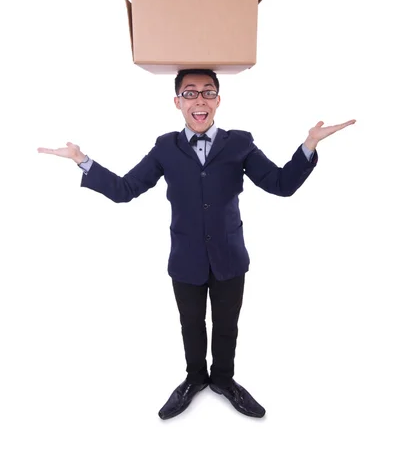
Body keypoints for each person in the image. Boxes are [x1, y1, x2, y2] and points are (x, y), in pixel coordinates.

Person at [37, 68, 356, 420]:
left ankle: (223, 380)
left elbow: (280, 184)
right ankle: (194, 378)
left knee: (226, 325)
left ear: (218, 101)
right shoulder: (165, 147)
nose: (199, 99)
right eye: (190, 93)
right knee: (191, 323)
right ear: (177, 102)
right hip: (185, 257)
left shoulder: (240, 143)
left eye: (207, 92)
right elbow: (124, 190)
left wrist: (308, 145)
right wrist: (83, 161)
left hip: (229, 256)